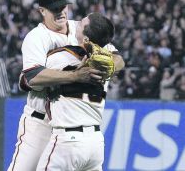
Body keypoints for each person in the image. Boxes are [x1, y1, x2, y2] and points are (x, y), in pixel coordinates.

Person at [8, 0, 123, 171]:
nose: (61, 12)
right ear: (42, 11)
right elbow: (31, 78)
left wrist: (107, 68)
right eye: (55, 9)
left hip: (69, 126)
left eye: (63, 6)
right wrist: (76, 75)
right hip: (41, 122)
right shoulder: (36, 37)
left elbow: (118, 59)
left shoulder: (82, 29)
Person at [36, 13, 124, 171]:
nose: (77, 23)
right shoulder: (107, 59)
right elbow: (119, 60)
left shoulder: (59, 57)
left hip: (67, 141)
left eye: (82, 23)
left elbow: (31, 78)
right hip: (95, 143)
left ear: (86, 39)